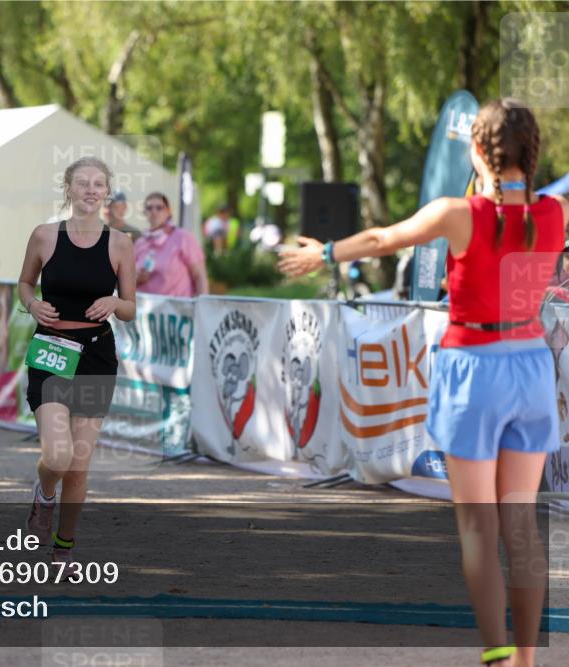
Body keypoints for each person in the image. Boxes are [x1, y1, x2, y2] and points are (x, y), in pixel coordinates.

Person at [278, 98, 569, 667]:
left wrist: (327, 252)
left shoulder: (458, 213)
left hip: (475, 363)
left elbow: (385, 239)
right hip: (532, 365)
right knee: (521, 525)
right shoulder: (553, 213)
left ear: (479, 151)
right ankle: (528, 659)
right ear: (532, 150)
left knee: (478, 526)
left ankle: (497, 654)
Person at [17, 156, 136, 564]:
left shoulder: (120, 243)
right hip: (51, 350)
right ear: (67, 189)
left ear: (106, 192)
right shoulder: (45, 236)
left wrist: (115, 300)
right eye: (82, 183)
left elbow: (131, 307)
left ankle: (64, 548)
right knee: (57, 456)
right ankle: (43, 493)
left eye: (98, 184)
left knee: (79, 467)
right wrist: (32, 304)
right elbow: (25, 283)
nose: (90, 189)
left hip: (96, 355)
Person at [134, 192, 208, 297]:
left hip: (176, 310)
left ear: (168, 211)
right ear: (144, 213)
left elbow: (200, 275)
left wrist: (202, 305)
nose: (154, 212)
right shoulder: (140, 243)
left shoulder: (183, 237)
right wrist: (137, 278)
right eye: (149, 208)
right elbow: (126, 280)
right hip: (144, 309)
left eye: (159, 208)